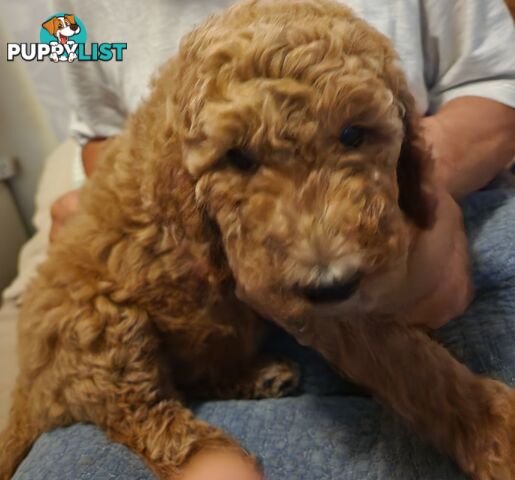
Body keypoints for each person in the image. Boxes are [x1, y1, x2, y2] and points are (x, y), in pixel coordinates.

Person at [18, 0, 515, 479]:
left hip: (447, 220)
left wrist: (428, 186)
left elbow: (498, 86)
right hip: (201, 320)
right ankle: (168, 432)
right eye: (240, 158)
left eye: (352, 136)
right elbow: (100, 135)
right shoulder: (75, 14)